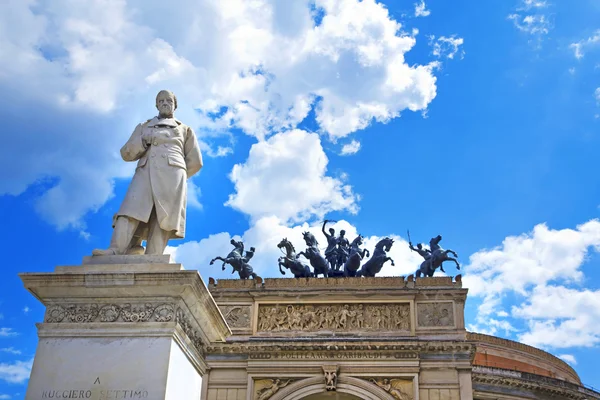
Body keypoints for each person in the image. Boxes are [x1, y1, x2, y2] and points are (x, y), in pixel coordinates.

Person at [93, 90, 202, 256]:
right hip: (145, 172)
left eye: (169, 100)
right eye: (161, 100)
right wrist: (143, 140)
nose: (165, 103)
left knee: (162, 217)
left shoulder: (185, 130)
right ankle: (115, 249)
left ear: (175, 105)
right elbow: (126, 153)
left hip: (173, 177)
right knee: (129, 210)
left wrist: (177, 175)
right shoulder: (144, 126)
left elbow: (195, 161)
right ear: (156, 104)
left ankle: (154, 256)